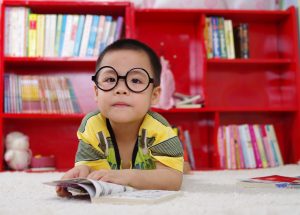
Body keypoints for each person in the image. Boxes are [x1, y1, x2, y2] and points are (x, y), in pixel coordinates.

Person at [57, 39, 184, 197]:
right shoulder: (91, 125)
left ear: (154, 95)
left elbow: (173, 179)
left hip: (155, 167)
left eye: (136, 80)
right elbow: (90, 166)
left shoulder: (160, 129)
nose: (121, 89)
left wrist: (126, 176)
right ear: (96, 92)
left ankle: (183, 164)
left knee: (181, 167)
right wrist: (81, 172)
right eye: (110, 80)